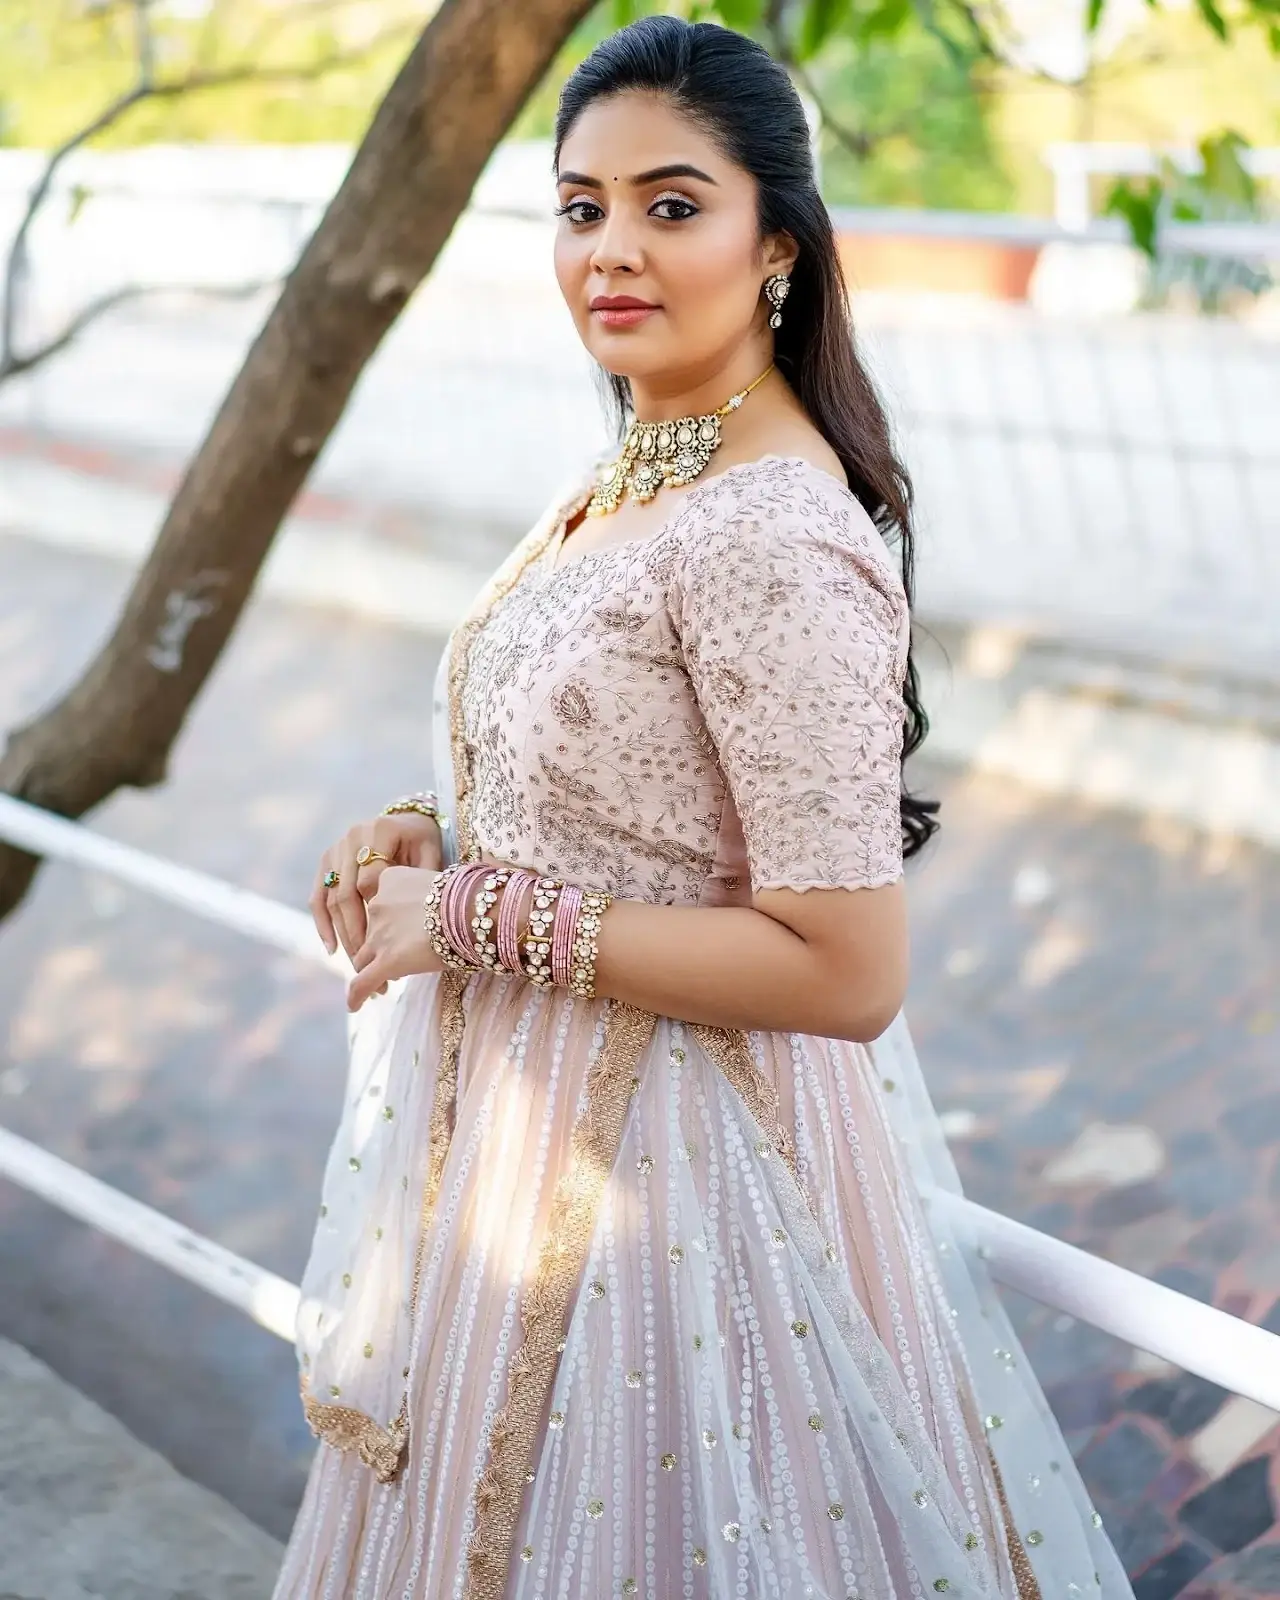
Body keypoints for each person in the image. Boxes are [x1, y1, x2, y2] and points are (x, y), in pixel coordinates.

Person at [274, 17, 1133, 1599]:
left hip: (672, 1193)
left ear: (778, 246)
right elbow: (627, 809)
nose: (613, 249)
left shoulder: (773, 536)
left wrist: (465, 913)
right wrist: (430, 833)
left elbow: (846, 973)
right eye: (580, 205)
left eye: (673, 205)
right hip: (519, 1161)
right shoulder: (631, 470)